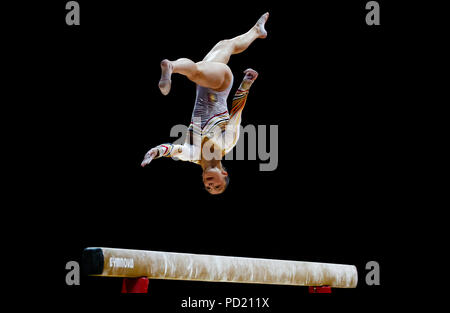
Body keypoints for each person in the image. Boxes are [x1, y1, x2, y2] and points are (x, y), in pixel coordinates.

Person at [141, 12, 269, 195]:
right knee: (195, 71)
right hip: (221, 84)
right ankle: (171, 66)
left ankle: (257, 31)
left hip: (204, 84)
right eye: (217, 186)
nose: (210, 185)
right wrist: (246, 83)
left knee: (226, 45)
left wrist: (155, 152)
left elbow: (172, 149)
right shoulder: (228, 143)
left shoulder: (192, 154)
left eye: (208, 188)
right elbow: (237, 112)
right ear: (224, 173)